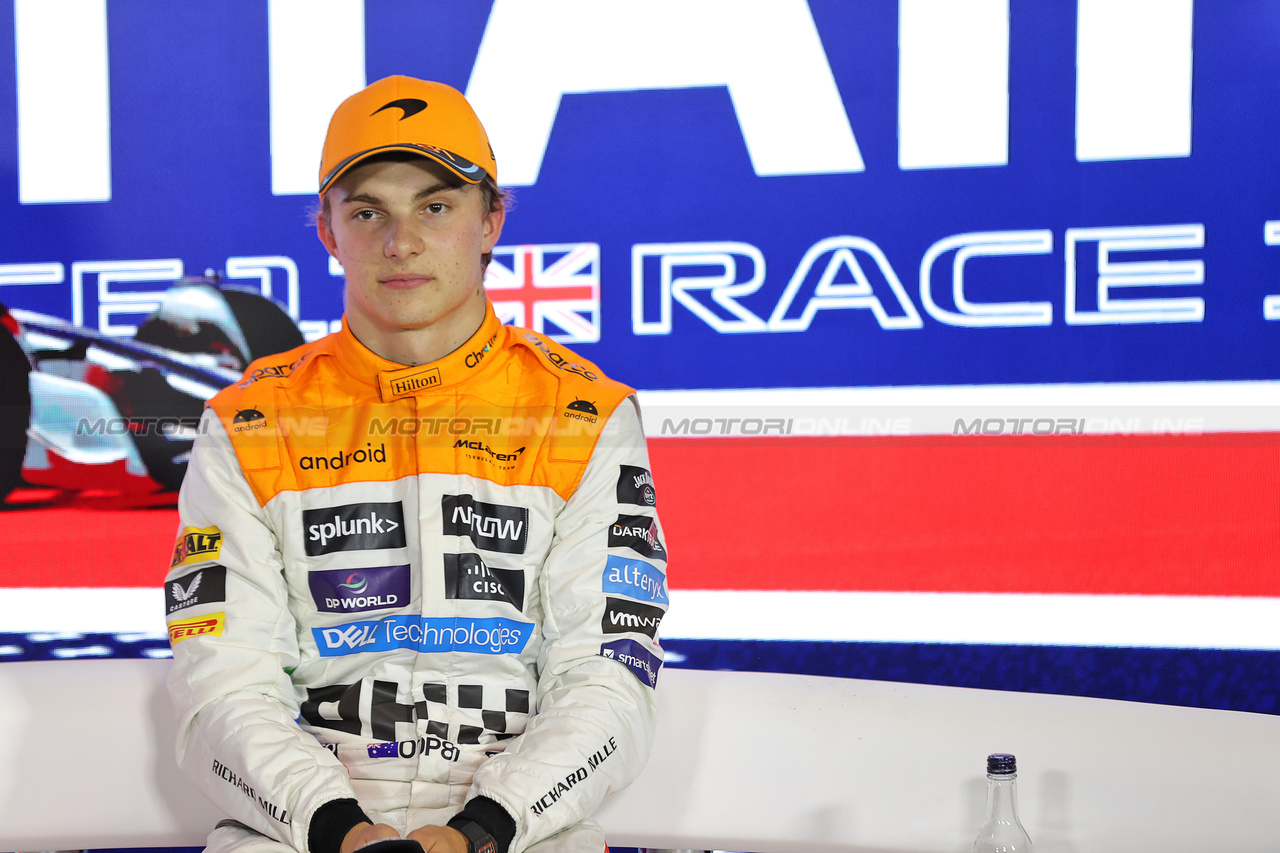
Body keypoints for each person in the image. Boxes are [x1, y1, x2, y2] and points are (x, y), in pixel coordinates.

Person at [164, 75, 668, 853]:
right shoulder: (248, 423)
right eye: (367, 212)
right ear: (328, 231)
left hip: (521, 830)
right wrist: (338, 827)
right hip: (299, 832)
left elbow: (606, 680)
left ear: (491, 220)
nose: (400, 242)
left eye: (435, 206)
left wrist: (480, 830)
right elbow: (222, 684)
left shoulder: (586, 416)